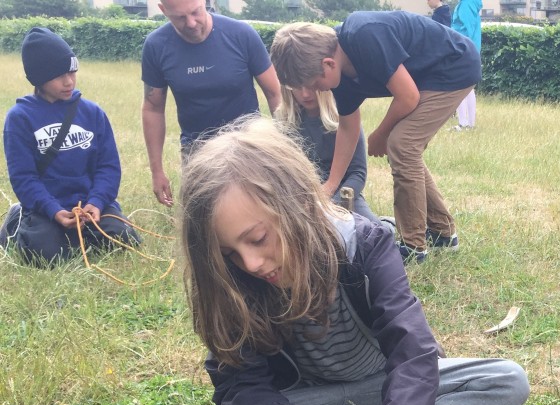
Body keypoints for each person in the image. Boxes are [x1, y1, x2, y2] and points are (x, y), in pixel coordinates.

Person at [179, 118, 529, 405]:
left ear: (295, 203)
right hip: (308, 402)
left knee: (505, 382)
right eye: (229, 254)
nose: (250, 262)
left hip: (380, 385)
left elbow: (414, 356)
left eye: (258, 238)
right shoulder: (233, 284)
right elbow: (235, 386)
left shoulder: (365, 245)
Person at [270, 15, 480, 264]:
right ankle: (443, 234)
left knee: (401, 144)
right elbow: (348, 127)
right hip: (425, 77)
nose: (313, 92)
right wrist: (330, 186)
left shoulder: (365, 35)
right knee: (405, 148)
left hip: (454, 66)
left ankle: (413, 247)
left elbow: (408, 96)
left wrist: (380, 134)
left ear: (328, 64)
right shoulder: (339, 77)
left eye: (314, 84)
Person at [2, 27, 140, 267]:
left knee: (126, 241)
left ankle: (82, 230)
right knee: (48, 257)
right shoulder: (20, 118)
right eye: (58, 75)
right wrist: (53, 210)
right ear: (38, 78)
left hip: (90, 206)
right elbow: (24, 178)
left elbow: (108, 167)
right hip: (47, 209)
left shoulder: (93, 113)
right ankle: (18, 218)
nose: (69, 81)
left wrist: (96, 203)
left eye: (72, 71)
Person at [141, 0, 282, 207]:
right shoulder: (156, 46)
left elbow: (274, 93)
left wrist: (282, 145)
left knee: (255, 209)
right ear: (163, 10)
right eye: (180, 17)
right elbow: (153, 108)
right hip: (197, 149)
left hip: (248, 143)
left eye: (196, 12)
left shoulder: (242, 34)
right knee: (203, 219)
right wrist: (157, 171)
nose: (191, 23)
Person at [274, 88, 378, 222]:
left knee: (376, 234)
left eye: (310, 86)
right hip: (303, 200)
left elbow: (358, 173)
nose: (305, 94)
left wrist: (331, 205)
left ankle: (388, 224)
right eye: (298, 87)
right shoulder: (284, 123)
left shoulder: (346, 116)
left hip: (344, 195)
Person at [451, 0, 482, 130]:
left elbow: (466, 29)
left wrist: (457, 48)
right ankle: (468, 124)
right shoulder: (469, 3)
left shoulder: (466, 4)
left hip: (463, 50)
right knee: (468, 88)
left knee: (460, 87)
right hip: (470, 49)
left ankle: (464, 123)